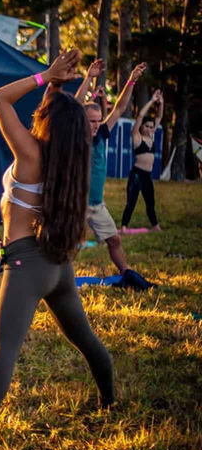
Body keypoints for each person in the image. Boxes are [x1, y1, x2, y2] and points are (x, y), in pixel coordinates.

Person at [0, 49, 114, 449]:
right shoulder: (68, 159)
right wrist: (57, 83)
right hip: (57, 266)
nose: (39, 111)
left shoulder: (30, 154)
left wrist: (44, 76)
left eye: (45, 110)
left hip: (26, 265)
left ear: (48, 123)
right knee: (86, 340)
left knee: (3, 351)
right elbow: (60, 115)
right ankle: (110, 402)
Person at [74, 59, 155, 290]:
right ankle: (58, 280)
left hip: (97, 204)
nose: (96, 125)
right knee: (68, 247)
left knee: (115, 239)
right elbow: (75, 105)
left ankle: (126, 274)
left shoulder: (101, 133)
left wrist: (131, 80)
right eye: (91, 121)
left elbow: (119, 108)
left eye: (98, 121)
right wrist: (88, 78)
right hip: (75, 204)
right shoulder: (75, 135)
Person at [121, 90, 164, 232]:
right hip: (137, 174)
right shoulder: (137, 137)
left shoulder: (151, 136)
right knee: (131, 202)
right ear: (141, 127)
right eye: (147, 126)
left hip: (147, 176)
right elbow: (140, 115)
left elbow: (159, 116)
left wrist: (161, 102)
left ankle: (155, 226)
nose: (150, 129)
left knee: (150, 202)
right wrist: (151, 100)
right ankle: (124, 227)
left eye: (151, 127)